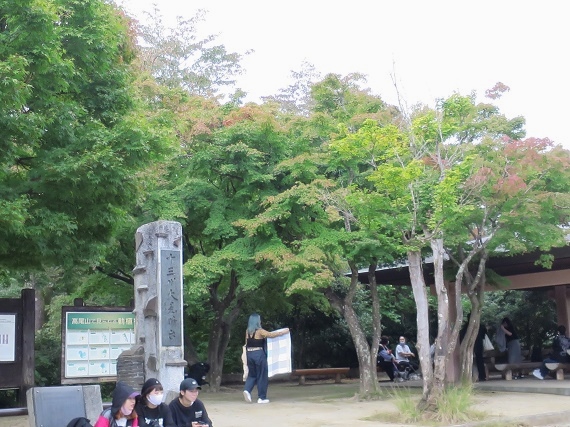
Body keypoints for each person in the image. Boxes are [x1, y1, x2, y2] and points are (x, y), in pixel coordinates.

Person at [243, 313, 290, 404]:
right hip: (258, 354)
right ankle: (262, 397)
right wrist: (284, 332)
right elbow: (271, 335)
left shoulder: (247, 331)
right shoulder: (260, 331)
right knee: (262, 375)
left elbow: (246, 343)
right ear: (257, 321)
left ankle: (247, 390)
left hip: (249, 354)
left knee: (252, 375)